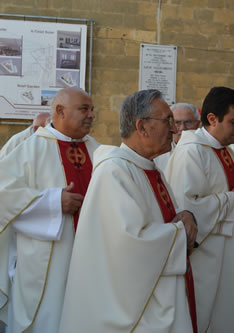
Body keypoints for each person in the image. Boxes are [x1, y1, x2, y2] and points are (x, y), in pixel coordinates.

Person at [59, 89, 198, 333]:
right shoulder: (114, 172)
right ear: (142, 127)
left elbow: (166, 218)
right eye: (168, 121)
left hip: (160, 294)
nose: (175, 130)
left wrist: (185, 216)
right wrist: (180, 233)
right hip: (136, 310)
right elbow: (129, 244)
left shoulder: (149, 168)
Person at [164, 86, 234, 333]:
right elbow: (185, 209)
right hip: (210, 258)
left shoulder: (223, 150)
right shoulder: (191, 152)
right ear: (212, 119)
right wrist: (230, 199)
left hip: (233, 251)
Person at [0, 88, 98, 332]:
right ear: (60, 111)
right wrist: (53, 202)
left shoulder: (99, 151)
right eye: (84, 109)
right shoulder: (30, 149)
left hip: (92, 258)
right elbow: (4, 194)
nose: (91, 115)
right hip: (47, 263)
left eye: (92, 110)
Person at [155, 102, 200, 170]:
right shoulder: (158, 153)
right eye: (177, 123)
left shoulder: (204, 151)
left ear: (197, 124)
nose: (183, 128)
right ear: (169, 125)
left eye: (188, 122)